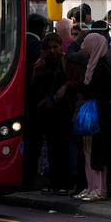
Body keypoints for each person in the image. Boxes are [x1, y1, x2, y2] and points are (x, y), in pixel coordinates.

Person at [68, 33, 111, 201]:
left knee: (96, 151)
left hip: (99, 114)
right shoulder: (93, 64)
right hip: (96, 113)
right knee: (89, 150)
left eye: (87, 43)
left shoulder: (101, 67)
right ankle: (91, 186)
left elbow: (93, 90)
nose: (84, 46)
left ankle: (99, 188)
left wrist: (82, 85)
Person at [31, 33, 73, 195]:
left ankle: (64, 181)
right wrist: (37, 70)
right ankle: (54, 181)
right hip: (47, 110)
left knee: (62, 146)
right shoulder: (42, 64)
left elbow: (71, 80)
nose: (53, 51)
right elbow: (34, 85)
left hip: (62, 109)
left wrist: (64, 89)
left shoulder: (65, 60)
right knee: (51, 147)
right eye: (49, 48)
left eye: (55, 47)